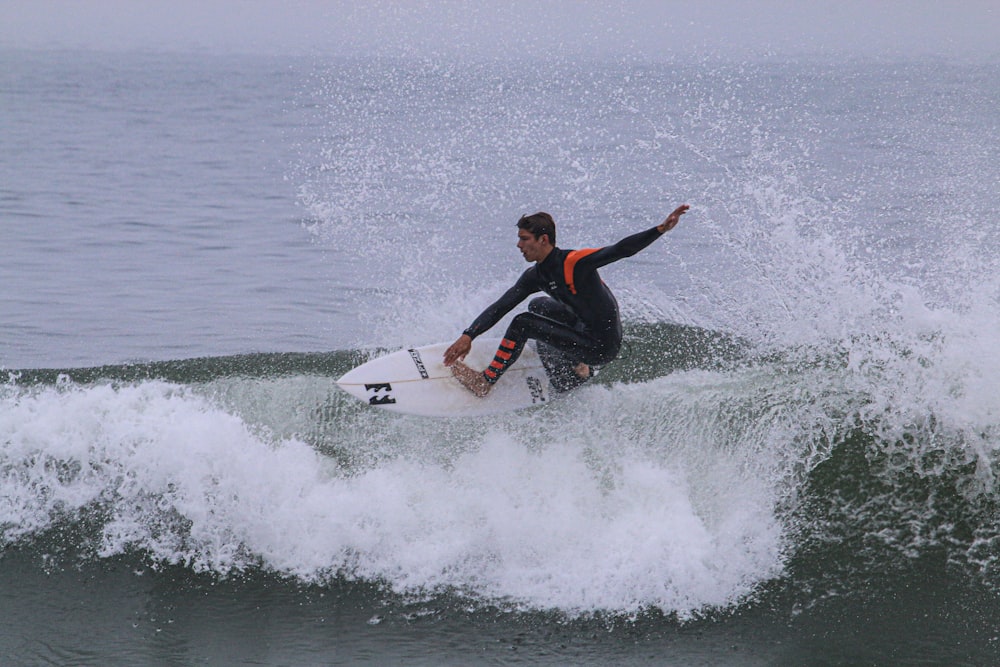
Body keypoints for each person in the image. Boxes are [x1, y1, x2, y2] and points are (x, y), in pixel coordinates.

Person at [443, 204, 690, 397]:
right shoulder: (536, 275)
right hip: (583, 327)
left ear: (544, 239)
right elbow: (502, 305)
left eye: (524, 239)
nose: (519, 245)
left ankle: (485, 381)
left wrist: (660, 230)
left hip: (601, 345)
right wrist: (469, 335)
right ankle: (577, 364)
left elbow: (620, 250)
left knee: (524, 322)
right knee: (537, 305)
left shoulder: (575, 262)